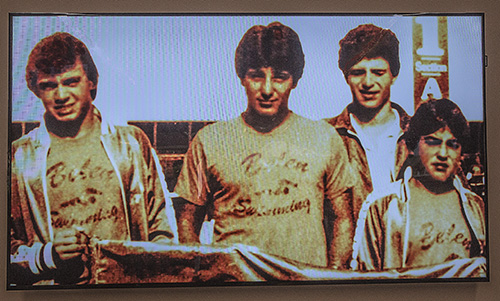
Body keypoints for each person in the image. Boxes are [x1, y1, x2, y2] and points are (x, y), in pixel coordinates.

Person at [173, 22, 354, 268]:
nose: (267, 89)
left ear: (295, 80)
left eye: (280, 77)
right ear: (242, 78)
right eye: (256, 76)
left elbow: (342, 218)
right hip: (235, 286)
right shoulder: (210, 141)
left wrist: (332, 276)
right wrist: (201, 276)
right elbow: (186, 222)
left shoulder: (324, 137)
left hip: (306, 288)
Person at [10, 32, 177, 285]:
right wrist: (47, 256)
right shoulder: (18, 157)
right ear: (35, 90)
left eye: (71, 81)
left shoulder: (131, 143)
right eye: (49, 85)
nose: (61, 95)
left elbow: (163, 230)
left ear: (92, 82)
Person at [351, 98, 486, 272]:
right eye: (432, 142)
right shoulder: (383, 204)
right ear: (413, 146)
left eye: (452, 144)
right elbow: (365, 276)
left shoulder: (475, 206)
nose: (443, 154)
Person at [324, 24, 410, 228]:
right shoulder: (325, 135)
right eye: (358, 72)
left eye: (378, 72)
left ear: (394, 75)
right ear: (346, 77)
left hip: (413, 256)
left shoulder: (422, 133)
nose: (368, 82)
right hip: (350, 258)